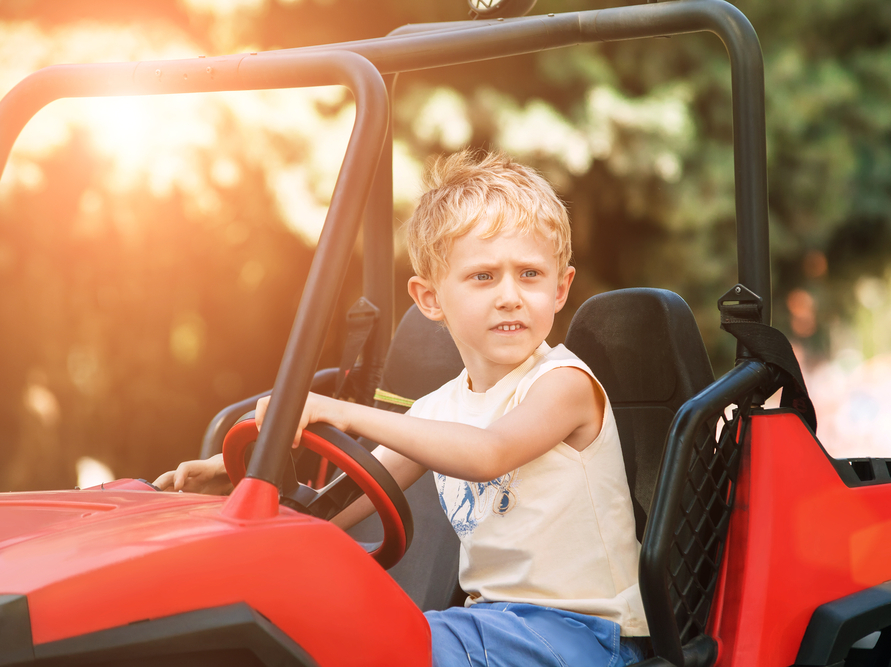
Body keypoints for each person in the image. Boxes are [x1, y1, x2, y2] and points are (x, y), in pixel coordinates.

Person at [154, 150, 649, 667]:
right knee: (331, 631)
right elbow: (335, 508)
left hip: (583, 635)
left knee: (390, 644)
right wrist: (244, 482)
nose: (510, 296)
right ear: (430, 299)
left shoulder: (564, 384)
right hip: (490, 626)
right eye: (483, 276)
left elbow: (487, 453)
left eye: (529, 274)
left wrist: (340, 412)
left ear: (560, 288)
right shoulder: (439, 408)